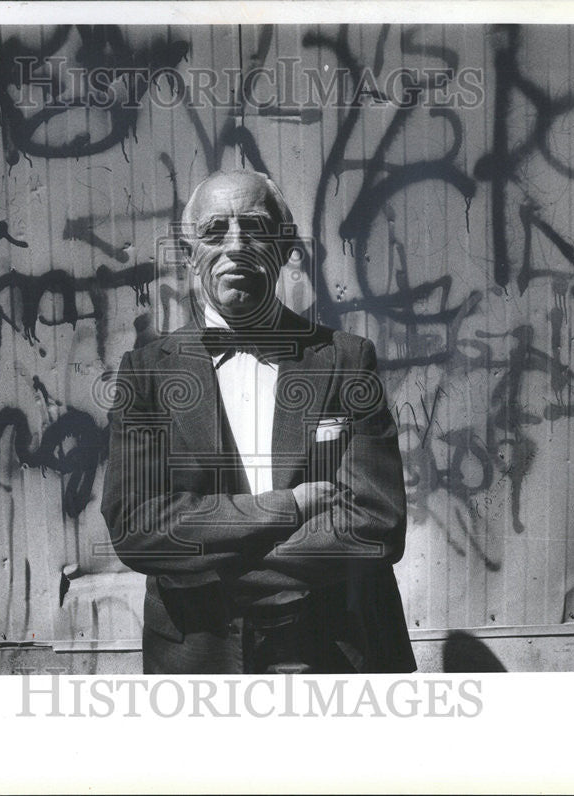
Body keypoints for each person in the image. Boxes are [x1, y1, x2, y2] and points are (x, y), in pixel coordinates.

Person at [101, 170, 416, 674]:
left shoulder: (347, 359)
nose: (237, 246)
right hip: (197, 651)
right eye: (214, 232)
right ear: (188, 252)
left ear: (286, 244)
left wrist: (217, 562)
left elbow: (375, 523)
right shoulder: (147, 372)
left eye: (255, 229)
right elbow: (138, 526)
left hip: (334, 644)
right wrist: (287, 506)